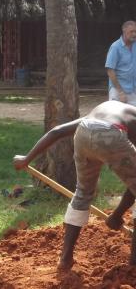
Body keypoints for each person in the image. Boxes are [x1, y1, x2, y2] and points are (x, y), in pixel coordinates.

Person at [13, 100, 136, 270]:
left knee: (83, 193)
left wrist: (26, 158)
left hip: (84, 132)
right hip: (112, 133)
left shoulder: (102, 110)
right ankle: (134, 263)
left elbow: (57, 132)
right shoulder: (131, 118)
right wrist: (117, 215)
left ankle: (65, 259)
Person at [105, 20, 136, 105]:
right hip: (118, 91)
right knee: (116, 117)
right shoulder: (115, 47)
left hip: (133, 90)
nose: (134, 34)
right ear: (124, 31)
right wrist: (120, 92)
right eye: (131, 31)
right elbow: (110, 70)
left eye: (135, 31)